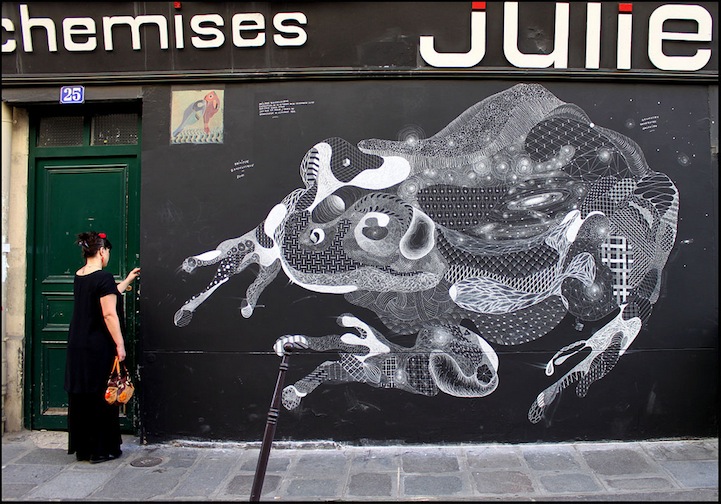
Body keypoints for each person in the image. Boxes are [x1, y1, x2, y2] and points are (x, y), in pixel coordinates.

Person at [64, 231, 140, 463]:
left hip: (78, 343)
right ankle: (101, 450)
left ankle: (84, 449)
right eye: (107, 251)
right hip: (97, 345)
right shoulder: (104, 277)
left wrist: (127, 280)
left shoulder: (80, 275)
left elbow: (106, 295)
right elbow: (108, 313)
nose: (107, 255)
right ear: (101, 251)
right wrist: (120, 344)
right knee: (102, 396)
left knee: (82, 397)